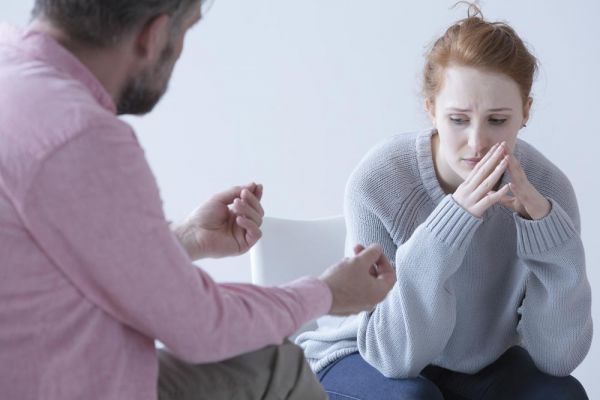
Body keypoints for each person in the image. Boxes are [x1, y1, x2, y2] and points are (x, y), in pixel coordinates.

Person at [0, 1, 397, 399]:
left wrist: (185, 238)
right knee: (279, 366)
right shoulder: (79, 136)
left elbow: (52, 265)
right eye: (186, 31)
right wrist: (327, 293)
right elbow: (201, 327)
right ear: (153, 36)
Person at [296, 5, 592, 400]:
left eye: (498, 120)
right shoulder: (379, 180)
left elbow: (557, 359)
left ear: (526, 113)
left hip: (478, 364)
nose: (476, 142)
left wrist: (551, 243)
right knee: (414, 397)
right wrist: (450, 225)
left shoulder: (546, 190)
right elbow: (394, 358)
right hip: (362, 355)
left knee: (561, 394)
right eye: (458, 119)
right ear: (431, 111)